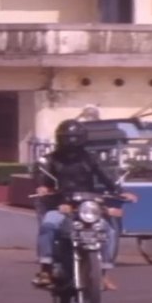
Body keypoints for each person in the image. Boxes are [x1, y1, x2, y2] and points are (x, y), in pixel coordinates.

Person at [33, 119, 137, 291]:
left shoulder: (90, 159)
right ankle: (46, 269)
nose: (71, 141)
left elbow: (105, 176)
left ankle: (103, 273)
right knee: (48, 224)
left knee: (109, 230)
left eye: (74, 137)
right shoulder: (50, 159)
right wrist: (43, 187)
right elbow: (41, 177)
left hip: (86, 206)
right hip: (60, 205)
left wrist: (119, 190)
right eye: (68, 138)